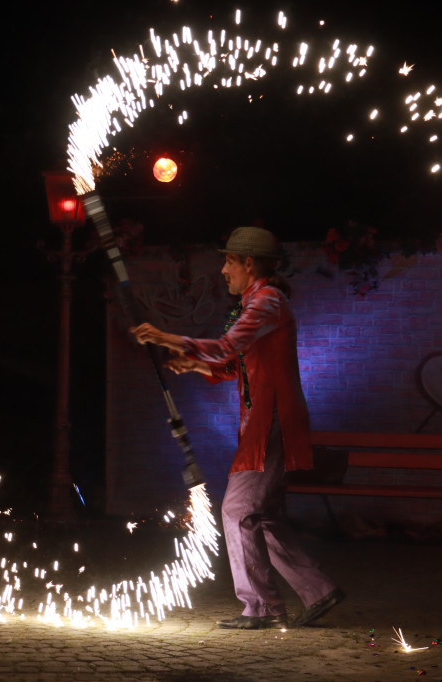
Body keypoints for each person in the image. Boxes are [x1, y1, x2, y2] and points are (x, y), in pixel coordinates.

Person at [130, 226, 344, 629]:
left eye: (228, 261)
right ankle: (318, 589)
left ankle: (261, 608)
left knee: (238, 508)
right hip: (265, 418)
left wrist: (164, 336)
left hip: (271, 419)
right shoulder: (256, 302)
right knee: (261, 514)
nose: (223, 270)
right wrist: (193, 363)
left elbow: (228, 347)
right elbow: (236, 363)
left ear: (249, 263)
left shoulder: (267, 301)